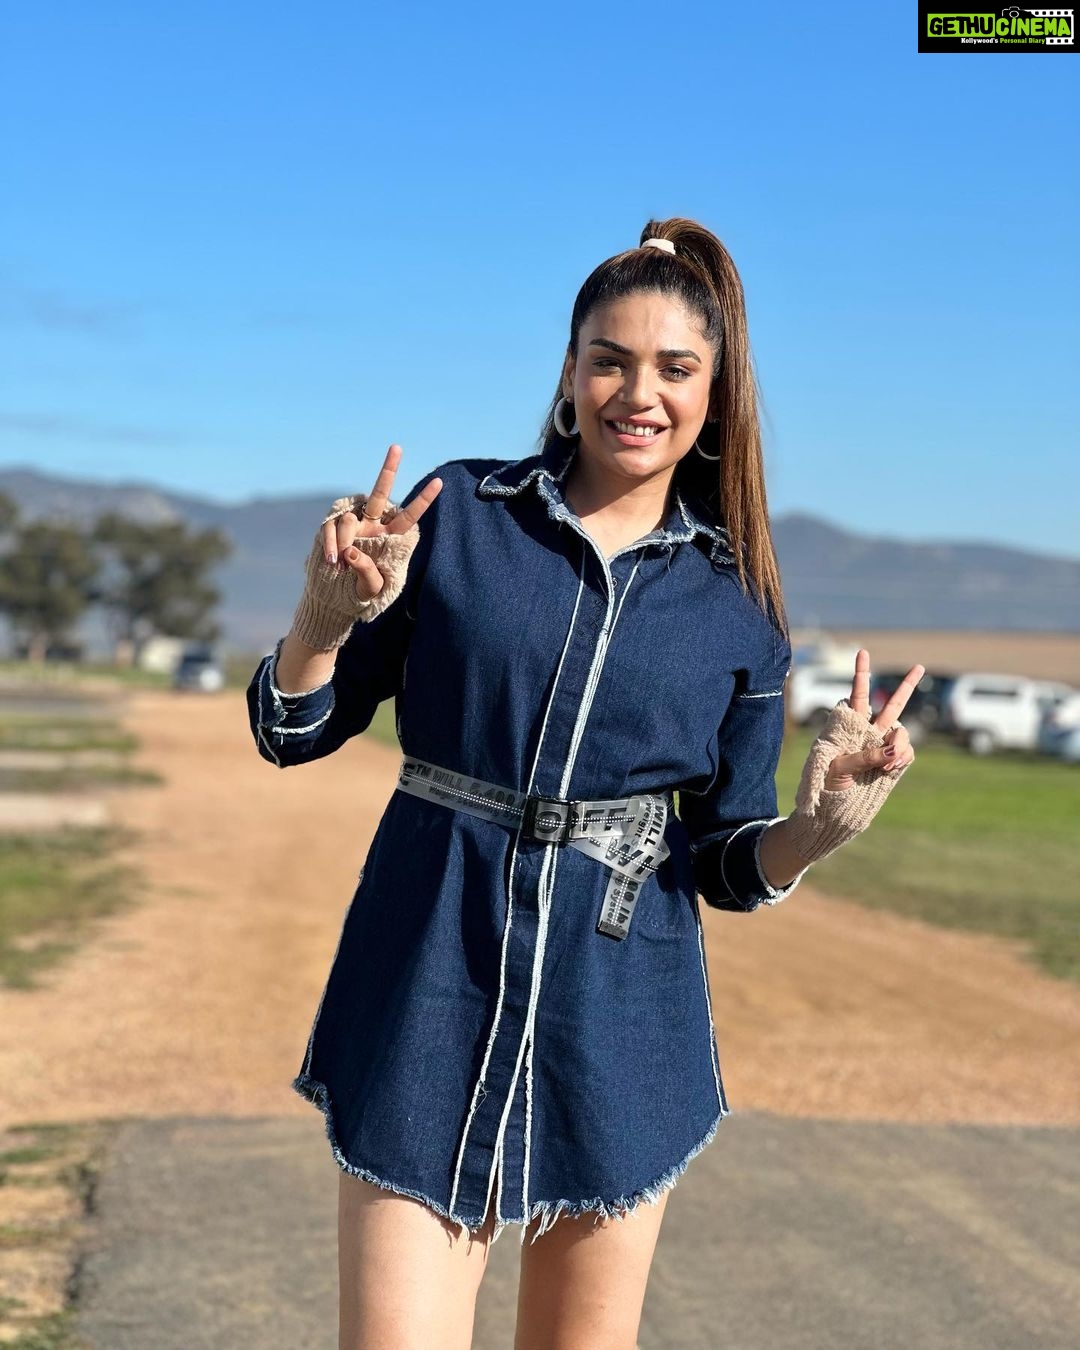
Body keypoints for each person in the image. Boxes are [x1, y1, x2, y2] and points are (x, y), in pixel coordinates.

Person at [246, 216, 923, 1350]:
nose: (638, 393)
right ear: (569, 373)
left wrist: (813, 829)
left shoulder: (739, 608)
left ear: (716, 395)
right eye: (610, 360)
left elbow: (724, 860)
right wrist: (322, 620)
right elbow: (291, 731)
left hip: (620, 1026)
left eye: (675, 368)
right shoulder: (456, 520)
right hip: (427, 984)